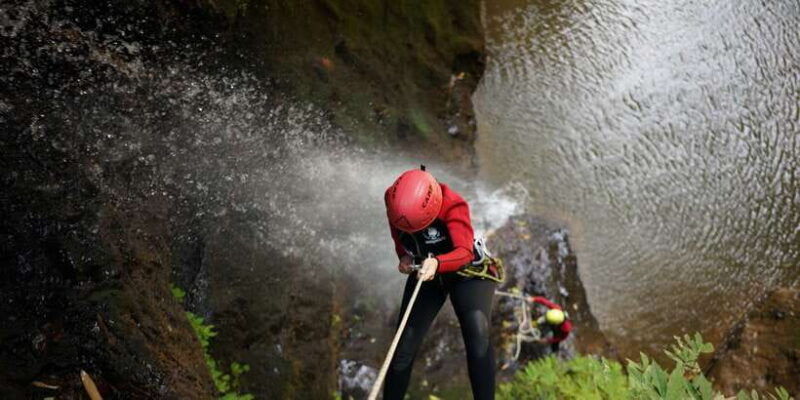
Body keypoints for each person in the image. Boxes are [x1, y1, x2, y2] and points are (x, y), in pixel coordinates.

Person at [383, 167, 496, 400]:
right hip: (425, 272)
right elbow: (400, 239)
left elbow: (464, 252)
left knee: (477, 334)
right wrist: (404, 258)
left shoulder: (453, 205)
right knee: (403, 346)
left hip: (467, 272)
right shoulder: (393, 202)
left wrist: (438, 263)